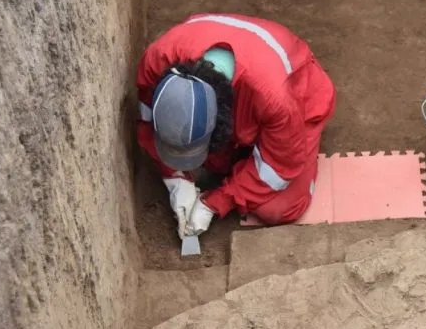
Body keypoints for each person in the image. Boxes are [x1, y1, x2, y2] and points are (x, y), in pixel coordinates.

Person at [136, 13, 336, 240]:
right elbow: (149, 119)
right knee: (217, 163)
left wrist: (215, 202)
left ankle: (307, 152)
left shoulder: (275, 100)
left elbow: (278, 167)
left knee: (278, 208)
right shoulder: (157, 60)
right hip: (243, 49)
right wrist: (175, 177)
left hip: (301, 95)